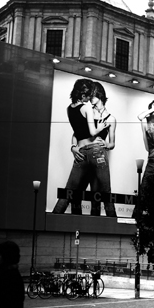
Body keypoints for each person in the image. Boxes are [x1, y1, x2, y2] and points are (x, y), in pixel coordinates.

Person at [52, 79, 114, 215]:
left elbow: (111, 143)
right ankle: (116, 229)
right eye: (90, 95)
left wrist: (74, 147)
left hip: (83, 153)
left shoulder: (69, 109)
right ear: (85, 94)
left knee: (69, 192)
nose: (91, 98)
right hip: (96, 152)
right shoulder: (87, 109)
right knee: (105, 193)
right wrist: (101, 127)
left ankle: (51, 222)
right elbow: (88, 133)